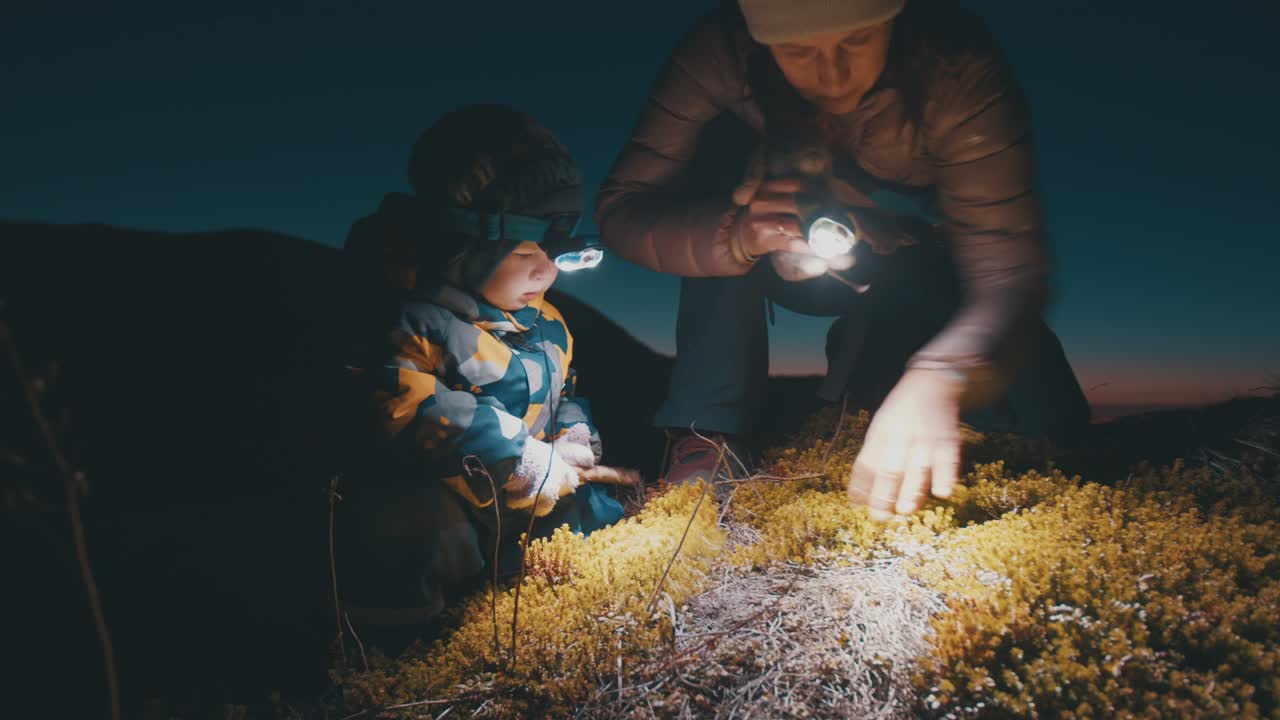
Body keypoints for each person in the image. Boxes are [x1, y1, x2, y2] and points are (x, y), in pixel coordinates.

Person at [596, 0, 1091, 521]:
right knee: (716, 155)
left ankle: (871, 359)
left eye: (856, 40)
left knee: (1048, 418)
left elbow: (1009, 275)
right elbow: (624, 209)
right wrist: (736, 233)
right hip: (771, 252)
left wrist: (942, 377)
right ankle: (707, 433)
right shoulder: (721, 52)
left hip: (910, 264)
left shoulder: (957, 70)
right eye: (797, 49)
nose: (832, 78)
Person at [338, 105, 625, 629]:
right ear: (461, 247)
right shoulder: (417, 321)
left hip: (531, 502)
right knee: (406, 530)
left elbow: (568, 391)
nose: (547, 270)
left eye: (556, 250)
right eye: (524, 252)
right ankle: (398, 648)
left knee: (599, 517)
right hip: (452, 496)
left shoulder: (549, 323)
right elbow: (400, 402)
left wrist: (574, 435)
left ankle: (550, 596)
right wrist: (517, 456)